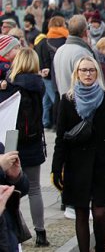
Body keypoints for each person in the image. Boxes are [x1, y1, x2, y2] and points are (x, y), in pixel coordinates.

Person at [52, 56, 105, 252]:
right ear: (76, 73)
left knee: (100, 213)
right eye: (83, 70)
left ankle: (100, 249)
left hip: (103, 164)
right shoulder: (67, 100)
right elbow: (60, 138)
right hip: (77, 165)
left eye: (91, 70)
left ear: (97, 73)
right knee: (81, 213)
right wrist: (56, 167)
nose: (87, 74)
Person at [6, 48, 48, 246]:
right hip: (34, 140)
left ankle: (15, 231)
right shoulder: (38, 85)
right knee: (34, 188)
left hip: (13, 141)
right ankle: (41, 233)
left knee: (11, 189)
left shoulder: (11, 85)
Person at [35, 16, 68, 129]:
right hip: (64, 70)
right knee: (57, 98)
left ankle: (52, 123)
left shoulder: (46, 40)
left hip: (52, 73)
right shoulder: (66, 39)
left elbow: (46, 58)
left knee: (52, 99)